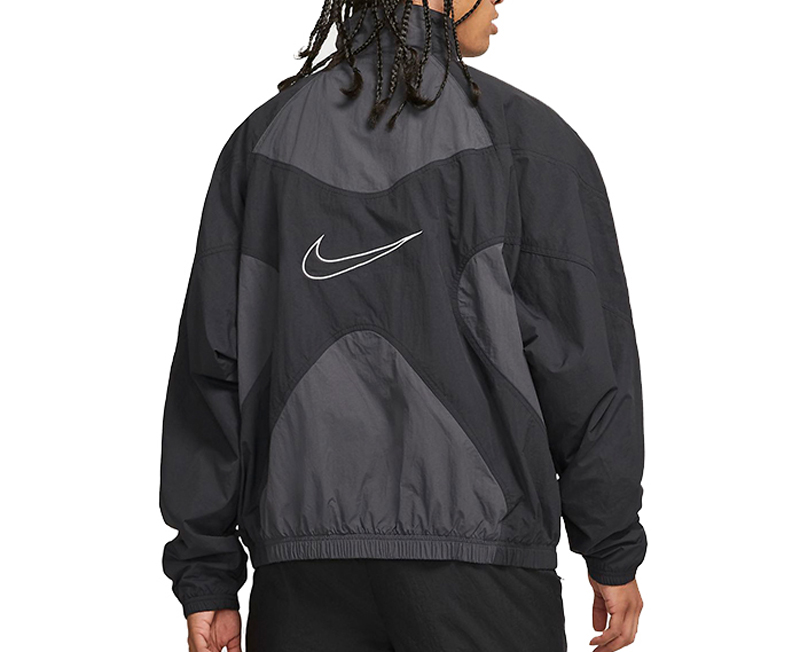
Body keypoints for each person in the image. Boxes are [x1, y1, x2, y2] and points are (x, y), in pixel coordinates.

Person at [158, 0, 647, 650]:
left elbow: (211, 372)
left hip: (303, 579)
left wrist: (208, 576)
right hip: (483, 573)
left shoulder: (263, 142)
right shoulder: (526, 142)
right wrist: (609, 546)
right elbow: (587, 368)